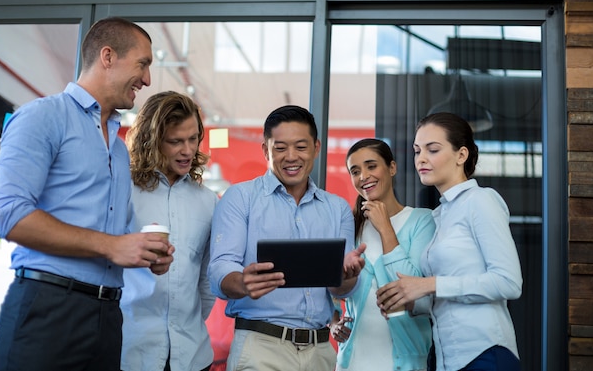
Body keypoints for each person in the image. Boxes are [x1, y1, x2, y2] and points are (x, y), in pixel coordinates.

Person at [0, 17, 174, 371]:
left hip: (107, 318)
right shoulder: (42, 117)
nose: (147, 79)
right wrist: (112, 246)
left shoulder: (120, 152)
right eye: (143, 64)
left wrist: (145, 252)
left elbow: (113, 238)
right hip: (47, 309)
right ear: (108, 56)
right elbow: (8, 215)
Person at [207, 105, 365, 371]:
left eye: (301, 147)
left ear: (316, 148)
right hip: (261, 348)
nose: (291, 157)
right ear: (265, 150)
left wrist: (348, 275)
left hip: (320, 351)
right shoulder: (240, 198)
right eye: (280, 148)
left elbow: (340, 289)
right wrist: (243, 282)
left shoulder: (337, 208)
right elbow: (219, 270)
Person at [377, 112, 522, 371]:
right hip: (448, 359)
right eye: (417, 150)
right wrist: (408, 299)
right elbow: (443, 296)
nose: (421, 158)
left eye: (432, 150)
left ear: (461, 155)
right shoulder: (439, 215)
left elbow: (508, 282)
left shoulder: (480, 201)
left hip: (486, 352)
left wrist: (428, 284)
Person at [120, 91, 218, 371]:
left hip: (192, 356)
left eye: (193, 139)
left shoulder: (208, 201)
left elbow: (206, 281)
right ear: (152, 141)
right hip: (131, 352)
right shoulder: (124, 190)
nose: (188, 150)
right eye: (175, 142)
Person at [329, 138, 434, 371]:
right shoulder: (350, 226)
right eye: (355, 171)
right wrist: (333, 322)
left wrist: (385, 227)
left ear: (392, 168)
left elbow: (414, 289)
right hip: (351, 362)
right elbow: (331, 288)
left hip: (405, 363)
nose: (363, 176)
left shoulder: (422, 221)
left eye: (371, 166)